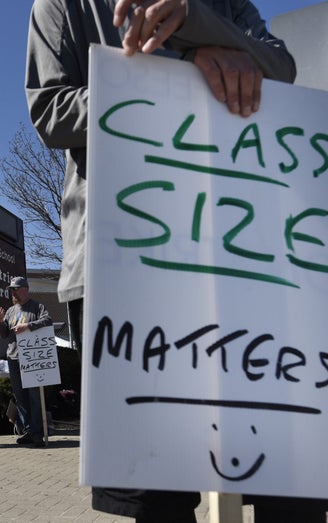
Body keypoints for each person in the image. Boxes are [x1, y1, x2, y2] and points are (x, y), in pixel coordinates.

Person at [25, 1, 326, 521]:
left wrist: (197, 27)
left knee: (289, 470)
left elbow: (283, 69)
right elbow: (50, 111)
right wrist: (189, 76)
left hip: (247, 254)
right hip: (127, 261)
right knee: (155, 484)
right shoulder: (61, 3)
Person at [0, 276, 52, 447]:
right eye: (11, 289)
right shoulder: (11, 311)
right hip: (13, 358)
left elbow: (47, 321)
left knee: (34, 396)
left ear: (25, 289)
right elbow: (3, 335)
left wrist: (28, 326)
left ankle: (37, 433)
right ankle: (27, 430)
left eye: (15, 288)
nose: (12, 292)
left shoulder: (37, 307)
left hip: (32, 357)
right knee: (20, 397)